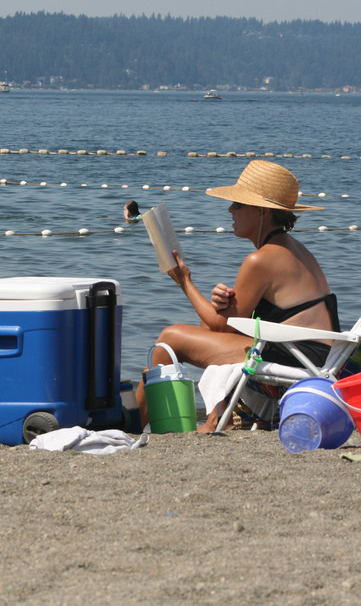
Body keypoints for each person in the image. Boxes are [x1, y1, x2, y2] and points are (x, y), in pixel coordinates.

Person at [138, 160, 338, 431]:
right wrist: (222, 305)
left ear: (263, 212)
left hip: (298, 358)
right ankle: (217, 419)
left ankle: (134, 424)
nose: (230, 209)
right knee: (202, 330)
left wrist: (184, 281)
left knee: (168, 341)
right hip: (317, 356)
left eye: (238, 204)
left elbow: (221, 327)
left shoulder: (261, 259)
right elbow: (217, 327)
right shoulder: (291, 248)